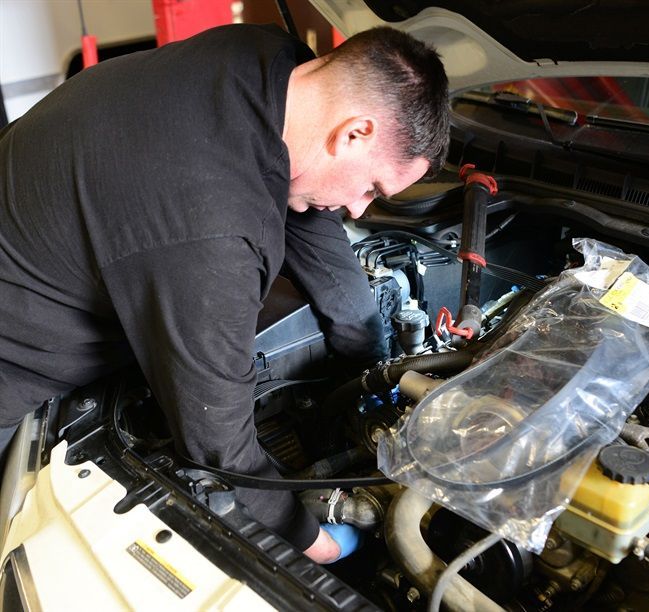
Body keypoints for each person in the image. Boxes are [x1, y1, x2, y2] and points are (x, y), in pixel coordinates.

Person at [0, 23, 449, 563]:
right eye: (372, 188)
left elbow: (308, 215)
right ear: (353, 132)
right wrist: (318, 543)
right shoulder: (213, 229)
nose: (360, 210)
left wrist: (371, 354)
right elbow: (218, 446)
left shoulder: (268, 60)